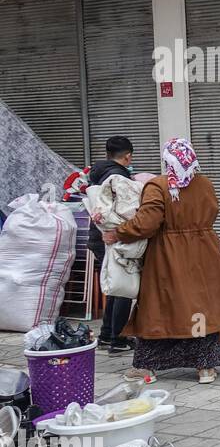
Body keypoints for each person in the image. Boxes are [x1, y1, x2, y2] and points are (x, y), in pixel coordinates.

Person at [101, 138, 220, 384]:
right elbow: (213, 210)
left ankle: (147, 367)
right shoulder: (205, 184)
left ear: (167, 161)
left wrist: (118, 232)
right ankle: (205, 367)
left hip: (168, 254)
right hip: (204, 252)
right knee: (198, 305)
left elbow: (146, 223)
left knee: (159, 306)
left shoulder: (159, 186)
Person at [86, 135, 135, 353]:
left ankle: (107, 335)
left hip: (99, 237)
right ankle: (118, 340)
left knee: (115, 286)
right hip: (112, 236)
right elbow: (123, 211)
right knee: (123, 285)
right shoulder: (117, 177)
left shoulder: (99, 173)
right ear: (127, 157)